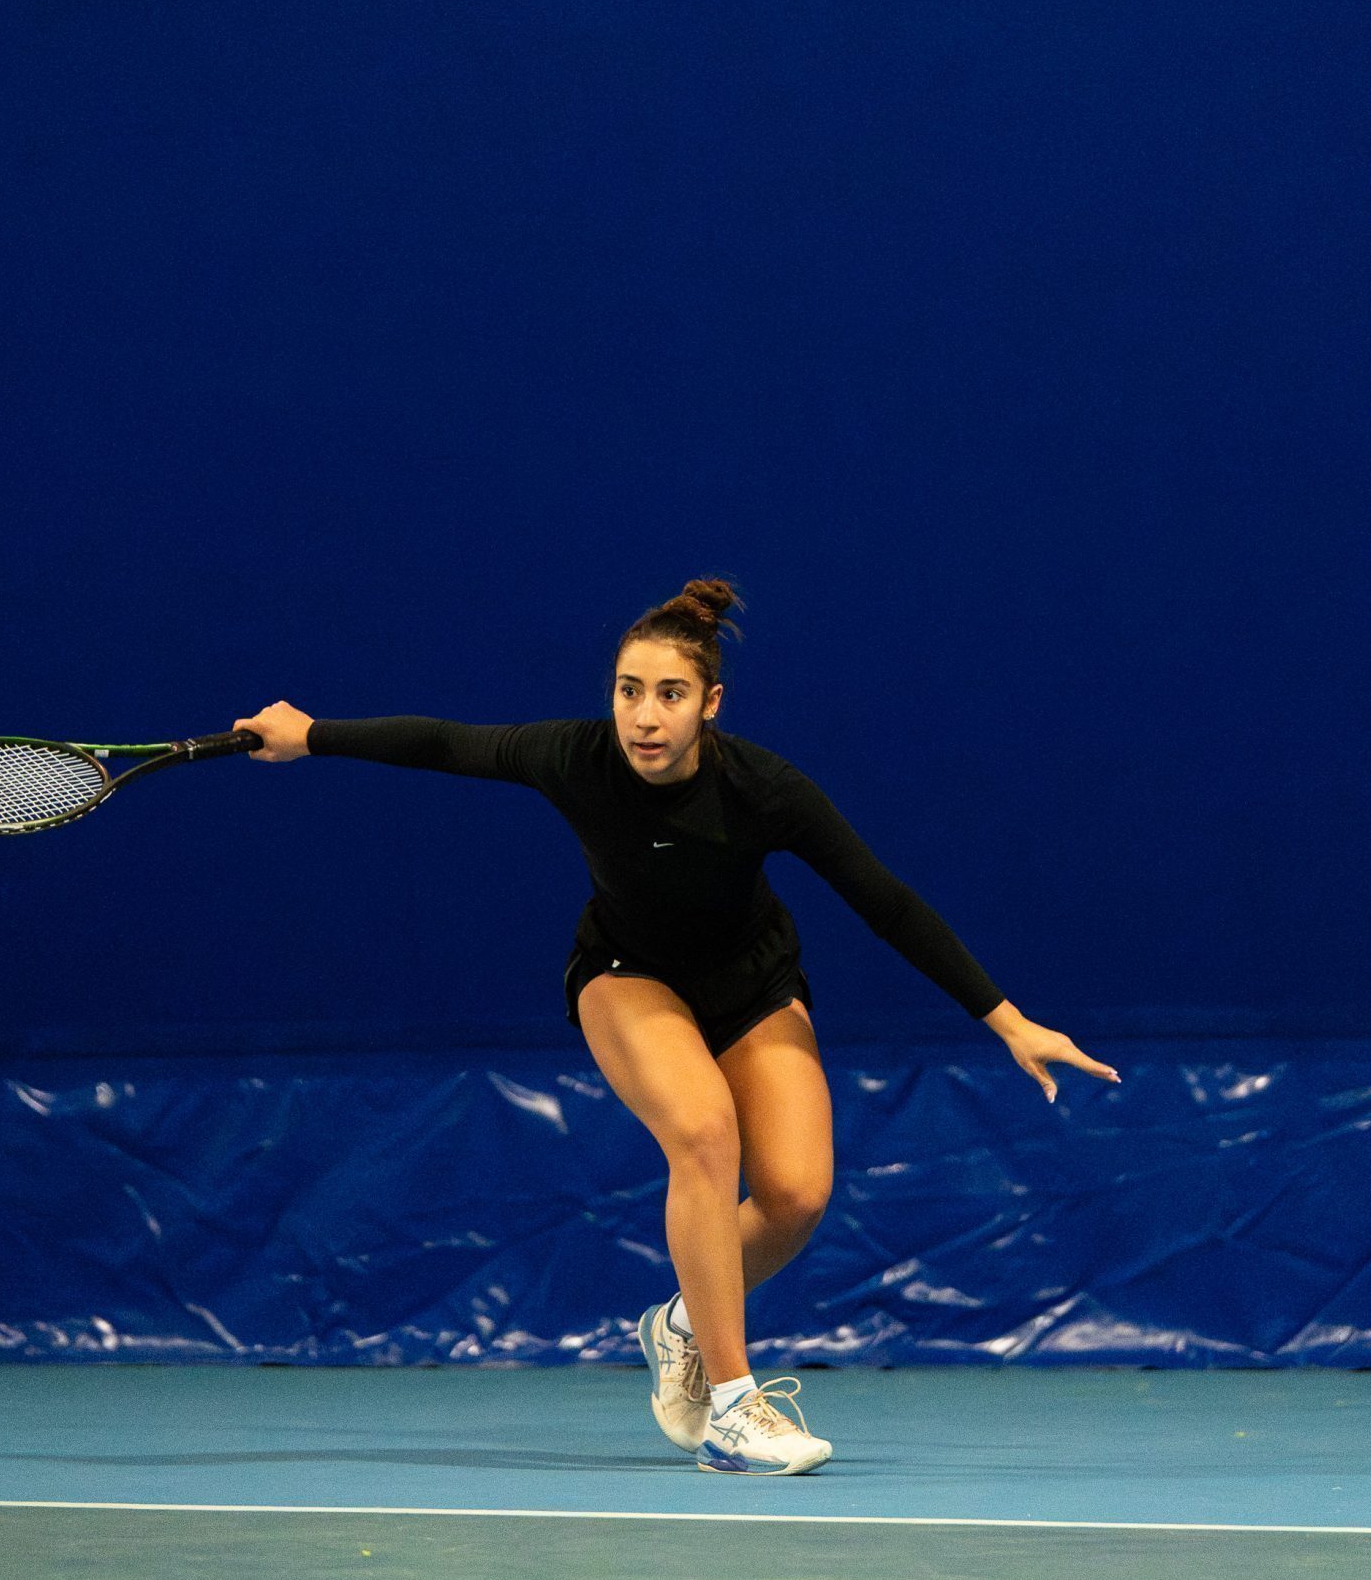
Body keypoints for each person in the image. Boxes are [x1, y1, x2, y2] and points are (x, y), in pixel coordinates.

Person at [237, 578, 1117, 1476]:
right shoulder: (574, 758)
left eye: (670, 694)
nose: (645, 716)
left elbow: (883, 901)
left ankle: (681, 1325)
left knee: (797, 1196)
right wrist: (311, 734)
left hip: (753, 985)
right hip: (629, 975)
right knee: (702, 1131)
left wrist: (1008, 1021)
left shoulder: (764, 789)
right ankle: (732, 1407)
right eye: (629, 691)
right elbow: (444, 743)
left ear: (710, 704)